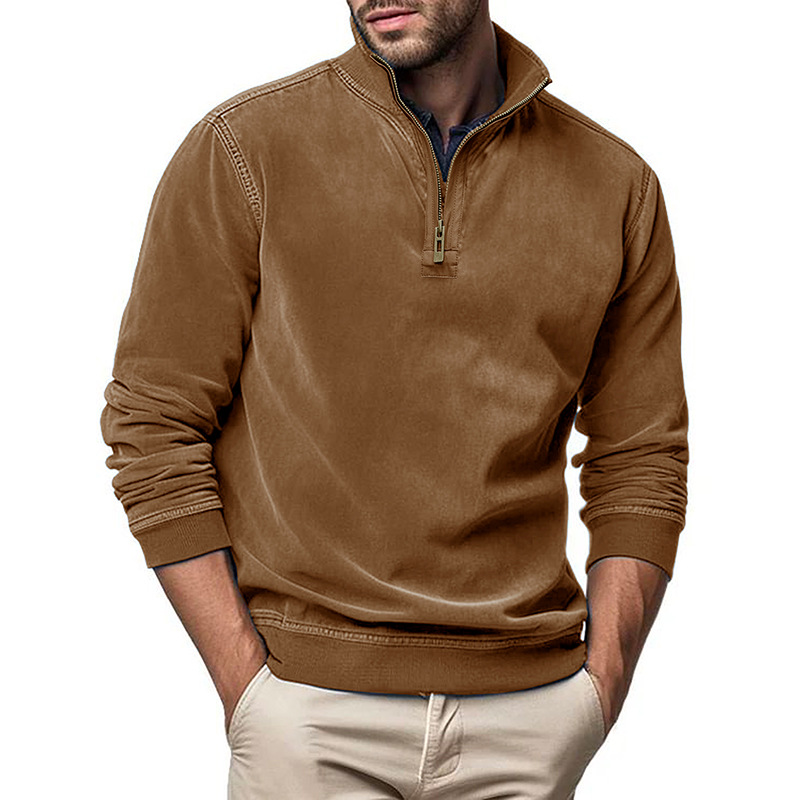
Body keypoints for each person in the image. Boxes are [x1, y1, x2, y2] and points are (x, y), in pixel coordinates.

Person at [100, 1, 689, 797]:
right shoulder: (244, 149)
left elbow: (642, 456)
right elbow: (153, 421)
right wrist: (247, 687)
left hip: (529, 713)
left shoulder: (614, 184)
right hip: (307, 709)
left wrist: (599, 689)